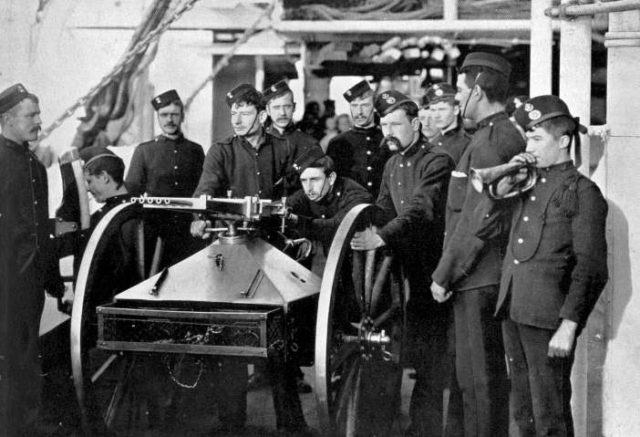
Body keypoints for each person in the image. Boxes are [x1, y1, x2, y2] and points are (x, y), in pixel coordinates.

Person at [476, 95, 608, 437]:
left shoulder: (582, 191)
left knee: (550, 414)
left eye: (536, 138)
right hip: (514, 307)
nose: (529, 145)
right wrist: (509, 174)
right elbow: (488, 210)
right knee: (522, 410)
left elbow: (591, 267)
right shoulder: (528, 182)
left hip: (548, 316)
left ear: (563, 141)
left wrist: (569, 324)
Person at [190, 83, 308, 435]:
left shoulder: (284, 148)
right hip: (235, 250)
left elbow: (306, 186)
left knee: (281, 336)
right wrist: (200, 216)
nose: (238, 119)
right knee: (231, 335)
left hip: (273, 250)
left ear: (262, 115)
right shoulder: (222, 151)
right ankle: (231, 423)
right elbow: (205, 191)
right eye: (233, 113)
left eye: (245, 112)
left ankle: (291, 422)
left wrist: (289, 207)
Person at [430, 52, 526, 437]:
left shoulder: (488, 143)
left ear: (479, 91)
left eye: (462, 92)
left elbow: (477, 220)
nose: (457, 101)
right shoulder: (503, 134)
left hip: (476, 277)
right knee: (479, 382)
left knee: (479, 383)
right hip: (485, 276)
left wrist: (444, 275)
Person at [350, 90, 455, 437]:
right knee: (394, 350)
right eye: (384, 125)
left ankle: (424, 430)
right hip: (397, 275)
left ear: (415, 123)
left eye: (395, 124)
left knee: (429, 359)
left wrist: (382, 237)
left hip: (431, 270)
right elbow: (382, 207)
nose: (388, 132)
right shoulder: (392, 163)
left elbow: (420, 209)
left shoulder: (436, 161)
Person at [0, 83, 65, 436]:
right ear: (7, 119)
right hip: (5, 281)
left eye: (38, 114)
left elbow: (42, 231)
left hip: (29, 284)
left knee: (25, 358)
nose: (39, 121)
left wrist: (52, 281)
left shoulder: (34, 165)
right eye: (31, 115)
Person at [125, 89, 205, 266]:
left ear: (182, 116)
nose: (169, 120)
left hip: (188, 229)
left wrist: (200, 220)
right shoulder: (144, 151)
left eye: (174, 115)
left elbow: (203, 189)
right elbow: (131, 191)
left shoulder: (195, 150)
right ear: (158, 118)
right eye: (164, 115)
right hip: (154, 230)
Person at [286, 148, 373, 268]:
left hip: (353, 263)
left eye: (314, 180)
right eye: (304, 181)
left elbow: (337, 226)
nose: (308, 188)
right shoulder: (311, 191)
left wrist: (297, 220)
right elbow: (288, 203)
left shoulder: (355, 194)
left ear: (331, 178)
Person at [326, 80, 390, 199]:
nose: (359, 112)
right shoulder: (337, 143)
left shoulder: (387, 138)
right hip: (351, 207)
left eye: (365, 105)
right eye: (354, 106)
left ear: (375, 107)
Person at [263, 80, 320, 156]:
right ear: (268, 110)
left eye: (287, 106)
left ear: (294, 107)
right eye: (276, 107)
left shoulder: (308, 143)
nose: (282, 113)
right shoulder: (259, 142)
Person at [425, 82, 472, 165]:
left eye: (442, 109)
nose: (436, 115)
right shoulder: (432, 144)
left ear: (456, 110)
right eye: (433, 110)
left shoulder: (467, 143)